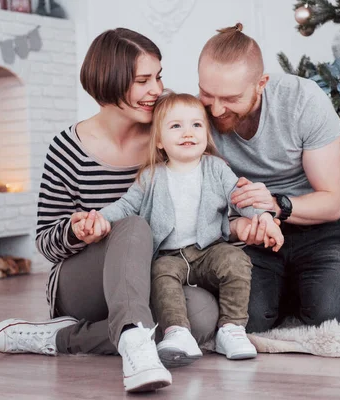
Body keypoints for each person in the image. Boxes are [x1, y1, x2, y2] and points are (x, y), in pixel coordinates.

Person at [0, 28, 220, 393]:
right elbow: (46, 244)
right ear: (110, 82)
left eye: (158, 77)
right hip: (84, 287)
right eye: (143, 80)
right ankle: (137, 350)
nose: (156, 89)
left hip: (156, 277)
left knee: (202, 318)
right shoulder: (68, 148)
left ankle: (59, 339)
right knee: (134, 226)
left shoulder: (168, 134)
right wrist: (76, 231)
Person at [71, 91, 283, 368]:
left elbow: (241, 198)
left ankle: (231, 329)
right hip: (168, 255)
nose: (188, 133)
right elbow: (124, 207)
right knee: (161, 276)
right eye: (176, 126)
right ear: (159, 140)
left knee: (236, 261)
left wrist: (264, 217)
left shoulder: (217, 169)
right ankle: (177, 331)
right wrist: (98, 218)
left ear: (207, 134)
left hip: (209, 250)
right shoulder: (151, 176)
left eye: (196, 125)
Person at [196, 23, 340, 334]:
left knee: (333, 318)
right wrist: (244, 224)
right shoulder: (196, 116)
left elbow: (332, 201)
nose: (217, 109)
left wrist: (276, 205)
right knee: (248, 321)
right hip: (250, 237)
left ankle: (314, 285)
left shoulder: (302, 100)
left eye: (231, 98)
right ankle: (290, 291)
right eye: (207, 93)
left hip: (318, 230)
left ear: (261, 83)